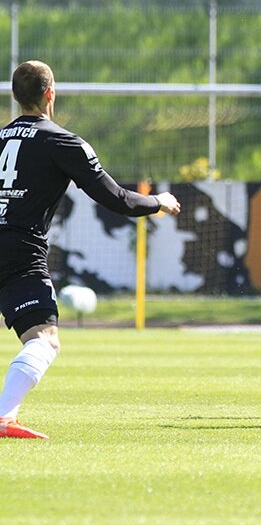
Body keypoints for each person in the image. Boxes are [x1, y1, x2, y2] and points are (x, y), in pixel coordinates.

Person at [0, 60, 181, 439]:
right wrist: (158, 202)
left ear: (16, 96)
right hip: (19, 254)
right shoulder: (62, 142)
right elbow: (117, 199)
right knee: (44, 339)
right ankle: (3, 417)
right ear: (50, 93)